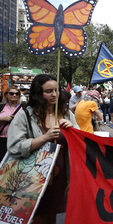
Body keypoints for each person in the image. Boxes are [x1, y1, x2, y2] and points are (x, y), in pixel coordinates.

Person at [7, 74, 78, 224]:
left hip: (61, 177)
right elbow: (14, 147)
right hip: (33, 179)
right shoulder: (26, 115)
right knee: (36, 216)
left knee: (51, 216)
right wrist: (43, 138)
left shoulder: (67, 114)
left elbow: (81, 143)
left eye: (56, 90)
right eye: (48, 91)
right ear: (38, 93)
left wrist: (73, 131)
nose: (54, 94)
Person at [0, 86, 23, 161]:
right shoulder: (1, 107)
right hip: (3, 139)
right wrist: (3, 118)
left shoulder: (23, 107)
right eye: (11, 93)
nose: (14, 95)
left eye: (17, 94)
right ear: (6, 95)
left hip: (18, 139)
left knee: (15, 161)